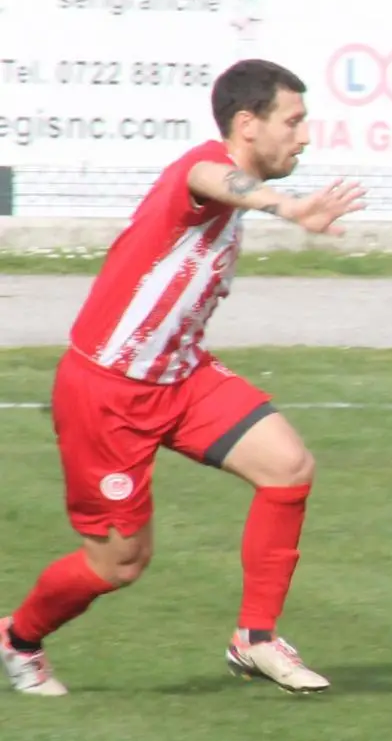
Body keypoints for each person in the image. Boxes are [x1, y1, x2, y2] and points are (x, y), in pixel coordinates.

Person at [0, 60, 366, 698]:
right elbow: (210, 175)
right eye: (294, 121)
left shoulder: (229, 191)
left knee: (288, 465)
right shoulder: (201, 172)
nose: (305, 136)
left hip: (180, 376)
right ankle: (18, 638)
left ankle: (255, 638)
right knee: (120, 564)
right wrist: (287, 205)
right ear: (247, 125)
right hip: (106, 392)